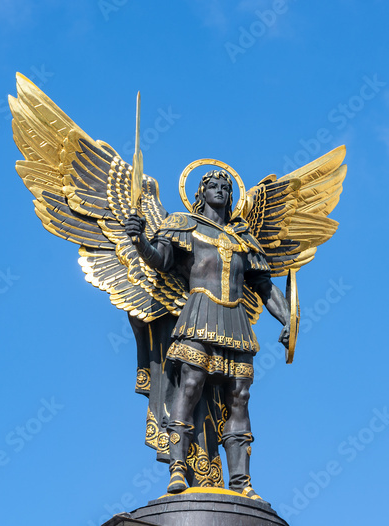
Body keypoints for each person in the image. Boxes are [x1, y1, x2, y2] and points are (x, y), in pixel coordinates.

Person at [124, 169, 290, 501]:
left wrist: (288, 319)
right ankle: (178, 469)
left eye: (226, 187)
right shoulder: (183, 225)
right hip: (198, 313)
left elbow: (264, 286)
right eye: (213, 186)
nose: (220, 190)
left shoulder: (243, 239)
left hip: (235, 319)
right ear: (201, 192)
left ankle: (241, 481)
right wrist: (139, 239)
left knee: (239, 397)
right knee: (190, 386)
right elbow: (160, 260)